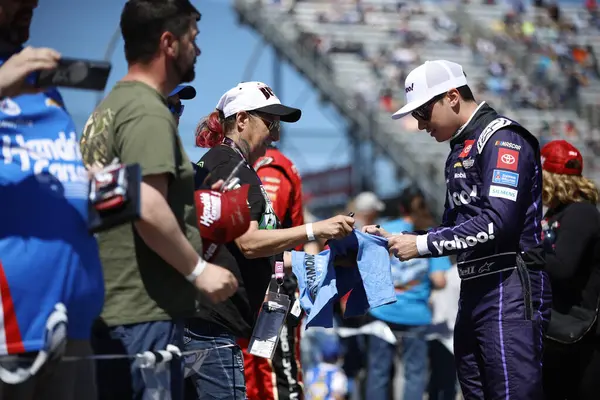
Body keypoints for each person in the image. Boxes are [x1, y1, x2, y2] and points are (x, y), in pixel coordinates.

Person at [363, 60, 552, 399]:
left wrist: (421, 245)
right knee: (474, 390)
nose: (420, 124)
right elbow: (454, 226)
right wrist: (396, 239)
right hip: (475, 284)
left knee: (512, 392)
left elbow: (499, 222)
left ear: (451, 97)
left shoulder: (503, 138)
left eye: (423, 113)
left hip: (509, 283)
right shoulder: (458, 149)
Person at [79, 1, 237, 399]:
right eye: (192, 39)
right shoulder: (148, 112)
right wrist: (200, 271)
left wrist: (190, 198)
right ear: (168, 43)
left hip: (110, 305)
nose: (197, 50)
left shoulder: (109, 109)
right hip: (142, 308)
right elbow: (147, 205)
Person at [188, 80, 355, 399]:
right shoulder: (232, 166)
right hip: (215, 325)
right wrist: (315, 230)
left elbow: (247, 249)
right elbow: (249, 243)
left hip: (210, 321)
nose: (276, 134)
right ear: (241, 120)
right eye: (270, 122)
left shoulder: (218, 162)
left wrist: (326, 253)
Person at [0, 0, 103, 399]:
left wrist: (87, 183)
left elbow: (53, 167)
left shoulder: (43, 84)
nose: (29, 6)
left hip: (70, 319)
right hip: (10, 327)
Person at [237, 146, 308, 400]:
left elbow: (268, 236)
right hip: (262, 285)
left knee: (274, 376)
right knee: (252, 373)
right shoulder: (254, 166)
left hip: (274, 285)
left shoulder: (270, 168)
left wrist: (273, 279)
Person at [366, 187, 450, 400]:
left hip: (382, 310)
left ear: (401, 207)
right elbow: (439, 280)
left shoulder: (384, 229)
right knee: (415, 373)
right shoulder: (430, 235)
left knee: (378, 371)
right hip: (416, 315)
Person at [539, 140, 600, 400]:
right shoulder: (557, 212)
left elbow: (563, 267)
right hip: (560, 328)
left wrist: (525, 250)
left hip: (583, 332)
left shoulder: (581, 212)